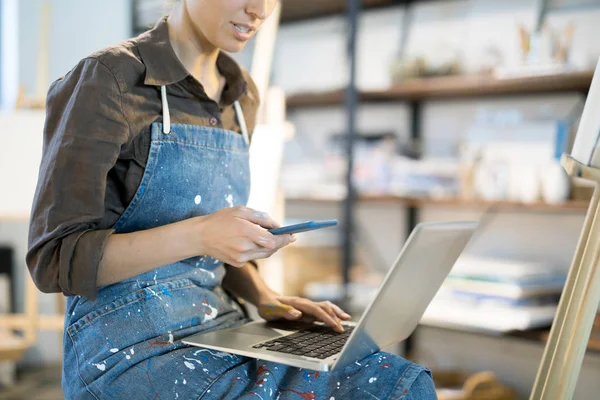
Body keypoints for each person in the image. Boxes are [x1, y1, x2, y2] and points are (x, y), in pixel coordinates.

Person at [26, 0, 437, 398]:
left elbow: (217, 246)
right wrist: (201, 235)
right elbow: (54, 260)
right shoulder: (109, 78)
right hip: (123, 348)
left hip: (221, 324)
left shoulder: (242, 98)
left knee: (395, 380)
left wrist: (265, 299)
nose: (258, 9)